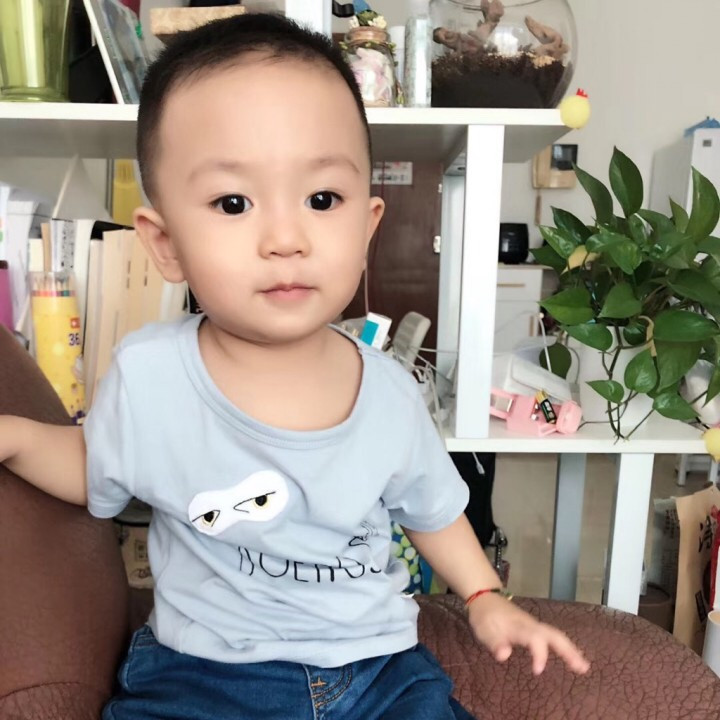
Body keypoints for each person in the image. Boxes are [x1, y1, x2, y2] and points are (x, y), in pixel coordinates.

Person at [0, 13, 589, 719]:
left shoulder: (389, 392)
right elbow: (95, 462)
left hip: (378, 671)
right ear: (166, 245)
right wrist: (15, 437)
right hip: (202, 676)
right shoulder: (150, 375)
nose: (286, 238)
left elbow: (433, 510)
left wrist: (486, 596)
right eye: (233, 203)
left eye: (321, 199)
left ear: (367, 226)